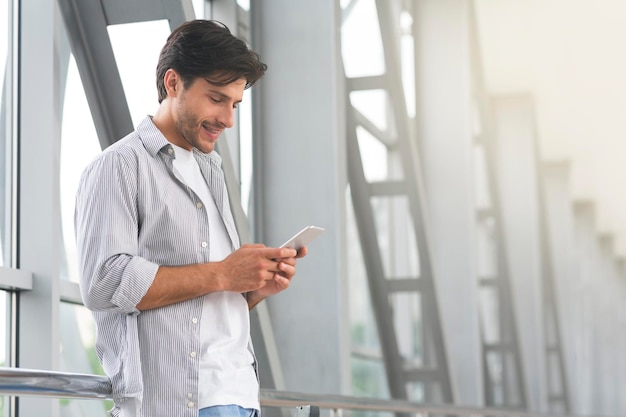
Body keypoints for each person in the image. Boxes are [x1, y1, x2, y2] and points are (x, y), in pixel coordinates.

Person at [74, 19, 306, 417]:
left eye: (234, 104)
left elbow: (197, 306)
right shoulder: (118, 167)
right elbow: (105, 283)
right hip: (180, 404)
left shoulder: (210, 172)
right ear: (172, 83)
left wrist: (250, 288)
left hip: (239, 396)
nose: (228, 119)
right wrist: (224, 274)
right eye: (216, 99)